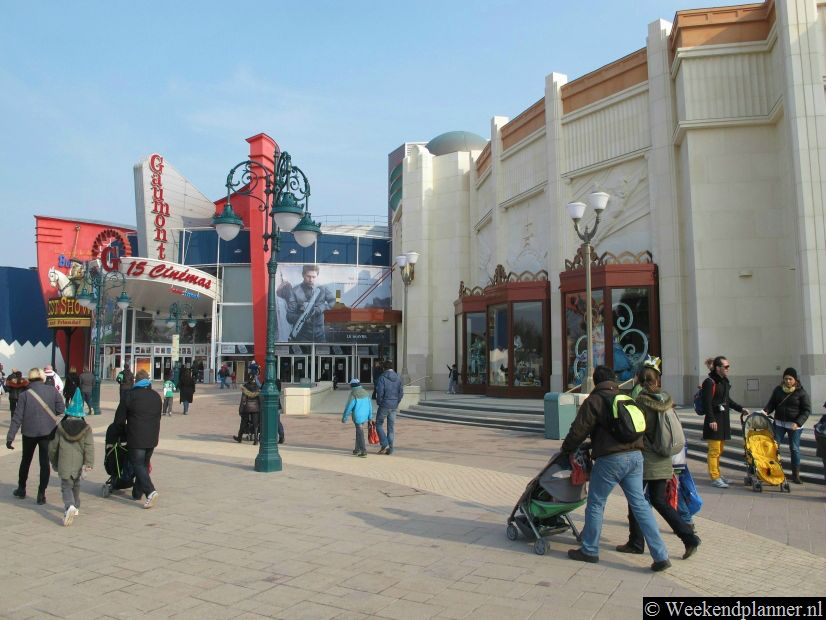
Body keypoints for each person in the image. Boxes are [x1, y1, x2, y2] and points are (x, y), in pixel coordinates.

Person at [560, 365, 671, 572]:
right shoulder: (626, 398)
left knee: (596, 503)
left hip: (611, 459)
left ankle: (589, 549)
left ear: (596, 381)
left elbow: (578, 430)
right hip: (636, 457)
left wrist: (566, 449)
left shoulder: (595, 400)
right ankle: (661, 555)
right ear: (614, 380)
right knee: (640, 504)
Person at [616, 365, 701, 559]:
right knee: (659, 500)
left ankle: (636, 542)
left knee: (636, 499)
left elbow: (636, 430)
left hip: (647, 457)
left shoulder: (641, 403)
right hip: (664, 456)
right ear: (656, 381)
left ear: (638, 380)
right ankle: (689, 537)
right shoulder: (666, 400)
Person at [6, 368, 65, 504]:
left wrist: (10, 437)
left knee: (25, 461)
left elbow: (17, 417)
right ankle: (41, 494)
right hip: (47, 432)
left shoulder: (24, 395)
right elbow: (61, 409)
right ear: (43, 378)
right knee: (44, 463)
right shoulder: (52, 391)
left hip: (29, 433)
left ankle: (21, 489)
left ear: (30, 379)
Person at [113, 369, 161, 509]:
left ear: (136, 381)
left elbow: (119, 419)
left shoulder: (130, 395)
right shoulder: (156, 396)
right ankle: (137, 492)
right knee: (144, 464)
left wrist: (121, 431)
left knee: (138, 464)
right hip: (152, 436)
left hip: (136, 436)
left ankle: (150, 491)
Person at [701, 356, 749, 488]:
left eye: (728, 366)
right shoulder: (709, 382)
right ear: (718, 368)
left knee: (720, 450)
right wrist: (711, 419)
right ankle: (714, 476)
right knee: (714, 450)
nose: (728, 368)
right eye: (725, 366)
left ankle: (718, 474)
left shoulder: (724, 382)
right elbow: (707, 402)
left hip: (723, 421)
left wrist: (740, 409)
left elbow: (728, 400)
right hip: (714, 421)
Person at [48, 389, 94, 526]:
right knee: (76, 484)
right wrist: (89, 463)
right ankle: (76, 506)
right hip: (79, 462)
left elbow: (53, 447)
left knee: (66, 486)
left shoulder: (61, 427)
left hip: (64, 461)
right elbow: (89, 447)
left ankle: (70, 505)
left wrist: (53, 460)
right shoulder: (86, 428)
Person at [763, 367, 810, 485]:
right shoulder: (778, 390)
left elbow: (806, 410)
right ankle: (773, 471)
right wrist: (765, 411)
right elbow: (772, 403)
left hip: (794, 426)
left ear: (795, 380)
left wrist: (798, 422)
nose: (787, 381)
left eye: (790, 379)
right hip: (779, 423)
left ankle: (796, 475)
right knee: (774, 446)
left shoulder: (801, 392)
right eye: (785, 379)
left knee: (794, 449)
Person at [286, 264, 336, 342]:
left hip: (320, 334)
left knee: (322, 354)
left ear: (317, 276)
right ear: (303, 275)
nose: (311, 279)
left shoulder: (323, 289)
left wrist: (320, 308)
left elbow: (333, 302)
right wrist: (302, 316)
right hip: (302, 335)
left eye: (314, 277)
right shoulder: (294, 291)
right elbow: (289, 316)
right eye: (308, 276)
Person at [375, 360, 403, 455]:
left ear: (384, 368)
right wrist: (396, 402)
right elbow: (401, 393)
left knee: (378, 424)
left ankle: (385, 443)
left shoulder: (382, 377)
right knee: (391, 428)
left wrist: (379, 402)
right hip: (394, 405)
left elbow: (379, 392)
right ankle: (390, 449)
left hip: (384, 404)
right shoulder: (398, 377)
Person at [342, 378, 372, 457]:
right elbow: (370, 406)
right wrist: (370, 417)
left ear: (352, 386)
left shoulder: (353, 394)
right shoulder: (366, 393)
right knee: (358, 432)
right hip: (365, 416)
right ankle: (357, 449)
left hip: (358, 416)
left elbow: (349, 407)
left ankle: (363, 451)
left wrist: (344, 418)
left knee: (360, 433)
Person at [234, 373, 261, 444]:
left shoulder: (245, 387)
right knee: (255, 424)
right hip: (256, 408)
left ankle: (239, 437)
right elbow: (260, 399)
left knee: (243, 422)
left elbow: (243, 400)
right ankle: (255, 440)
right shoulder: (257, 387)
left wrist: (240, 410)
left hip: (247, 408)